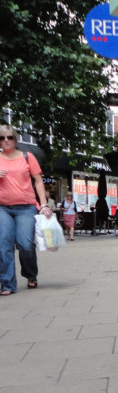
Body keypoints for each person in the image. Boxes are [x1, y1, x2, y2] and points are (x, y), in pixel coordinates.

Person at [0, 125, 52, 294]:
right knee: (4, 245)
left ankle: (30, 274)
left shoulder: (27, 157)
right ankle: (7, 284)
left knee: (25, 245)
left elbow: (38, 181)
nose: (6, 141)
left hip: (26, 207)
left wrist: (43, 204)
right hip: (2, 208)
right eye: (2, 138)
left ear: (15, 139)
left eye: (9, 137)